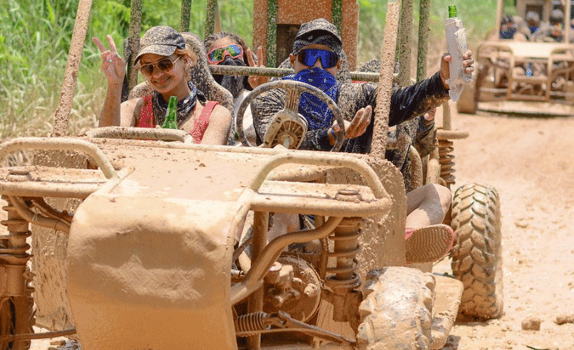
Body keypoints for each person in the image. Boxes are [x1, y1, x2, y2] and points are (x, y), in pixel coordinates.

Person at [251, 18, 474, 262]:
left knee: (438, 193)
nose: (317, 67)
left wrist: (440, 83)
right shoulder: (271, 95)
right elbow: (272, 140)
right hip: (294, 202)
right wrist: (330, 137)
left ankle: (402, 243)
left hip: (357, 208)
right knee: (278, 214)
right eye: (309, 57)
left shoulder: (358, 96)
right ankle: (269, 278)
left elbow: (402, 102)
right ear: (293, 60)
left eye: (326, 60)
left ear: (338, 64)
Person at [96, 26, 232, 145]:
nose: (157, 75)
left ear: (186, 60)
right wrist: (115, 84)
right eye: (148, 68)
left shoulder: (216, 115)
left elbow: (207, 163)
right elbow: (106, 143)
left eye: (165, 64)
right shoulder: (134, 109)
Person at [204, 31, 268, 143]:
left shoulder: (255, 99)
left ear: (243, 56)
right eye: (217, 55)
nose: (228, 59)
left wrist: (263, 92)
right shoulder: (201, 104)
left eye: (234, 51)